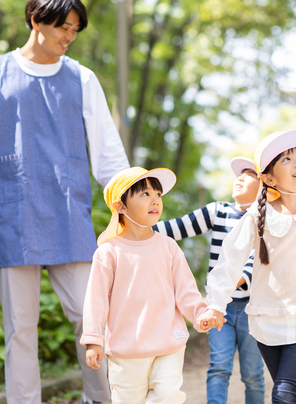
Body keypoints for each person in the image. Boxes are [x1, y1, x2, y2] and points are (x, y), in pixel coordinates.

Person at [0, 0, 129, 404]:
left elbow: (108, 155)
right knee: (20, 329)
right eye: (64, 27)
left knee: (92, 321)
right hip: (12, 215)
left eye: (75, 30)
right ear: (36, 20)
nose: (70, 36)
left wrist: (128, 206)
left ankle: (101, 400)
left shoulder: (83, 78)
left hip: (70, 214)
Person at [197, 130, 296, 404]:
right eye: (286, 159)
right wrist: (215, 305)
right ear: (268, 179)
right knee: (293, 394)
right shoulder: (258, 215)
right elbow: (230, 259)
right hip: (266, 316)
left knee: (283, 392)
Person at [80, 166, 210, 404]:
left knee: (169, 396)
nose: (155, 201)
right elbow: (96, 300)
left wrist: (200, 314)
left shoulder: (168, 246)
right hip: (126, 350)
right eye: (144, 194)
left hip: (168, 342)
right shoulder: (108, 252)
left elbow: (186, 289)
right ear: (120, 206)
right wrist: (92, 340)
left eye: (158, 194)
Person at [153, 157, 266, 404]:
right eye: (239, 174)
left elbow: (253, 263)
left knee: (253, 375)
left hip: (253, 308)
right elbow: (176, 228)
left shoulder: (265, 219)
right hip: (219, 308)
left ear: (265, 184)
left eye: (249, 175)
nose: (240, 178)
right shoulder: (218, 211)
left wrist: (232, 282)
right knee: (219, 368)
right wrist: (136, 228)